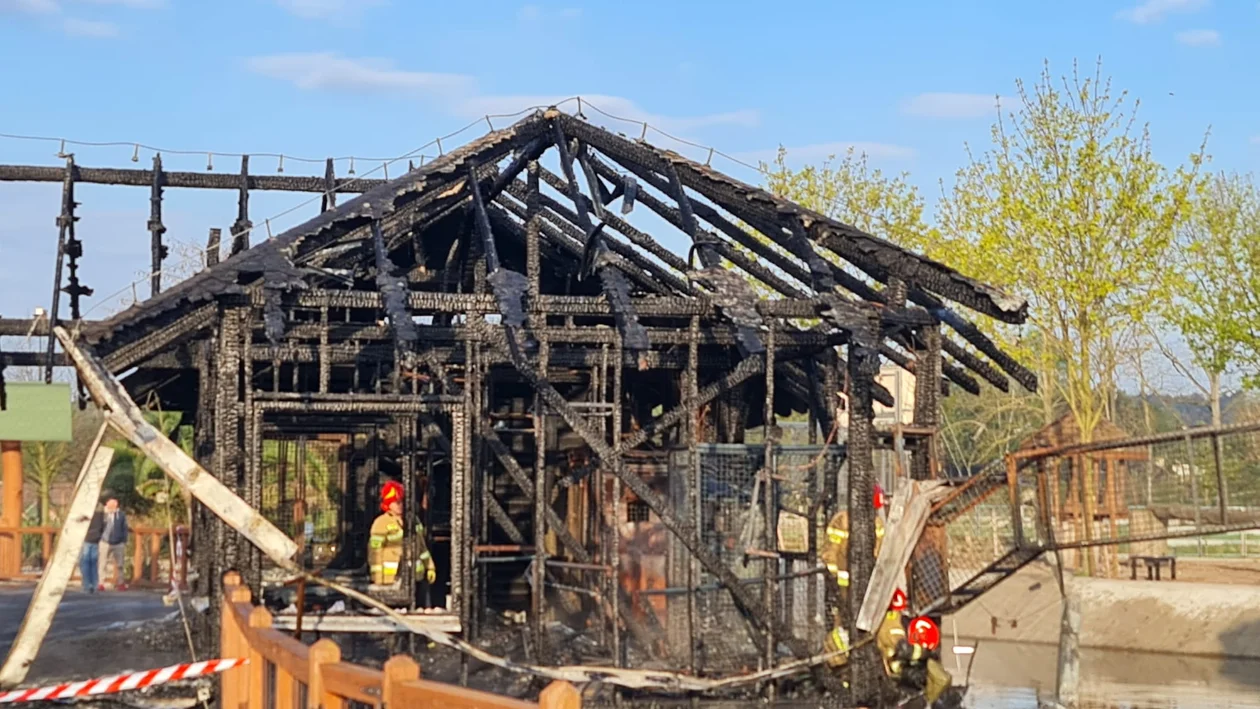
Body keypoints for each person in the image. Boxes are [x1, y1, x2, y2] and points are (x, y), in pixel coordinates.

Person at [368, 481, 435, 586]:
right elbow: (375, 552)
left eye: (401, 501)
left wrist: (430, 567)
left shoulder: (414, 520)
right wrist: (378, 579)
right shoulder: (381, 523)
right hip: (390, 580)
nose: (400, 505)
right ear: (387, 503)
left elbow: (422, 547)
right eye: (396, 502)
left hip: (415, 578)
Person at [98, 496, 128, 591]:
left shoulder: (121, 515)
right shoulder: (103, 515)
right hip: (105, 541)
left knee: (120, 564)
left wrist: (124, 540)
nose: (111, 507)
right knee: (102, 563)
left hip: (118, 542)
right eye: (109, 504)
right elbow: (98, 526)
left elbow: (124, 528)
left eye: (113, 505)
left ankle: (120, 583)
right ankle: (100, 583)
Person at [80, 506, 104, 593]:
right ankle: (95, 585)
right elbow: (103, 526)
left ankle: (87, 585)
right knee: (93, 564)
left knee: (85, 563)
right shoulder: (100, 513)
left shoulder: (86, 513)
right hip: (96, 539)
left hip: (87, 538)